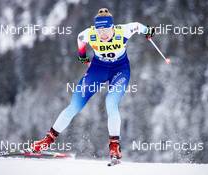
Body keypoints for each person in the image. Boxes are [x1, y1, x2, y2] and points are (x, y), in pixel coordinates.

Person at [30, 8, 155, 161]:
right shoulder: (88, 34)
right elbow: (80, 40)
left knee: (111, 102)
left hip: (120, 70)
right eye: (99, 29)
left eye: (106, 29)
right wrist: (84, 59)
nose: (103, 33)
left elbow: (137, 26)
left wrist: (148, 31)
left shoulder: (123, 31)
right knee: (74, 105)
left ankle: (114, 146)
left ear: (112, 27)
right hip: (98, 69)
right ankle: (46, 141)